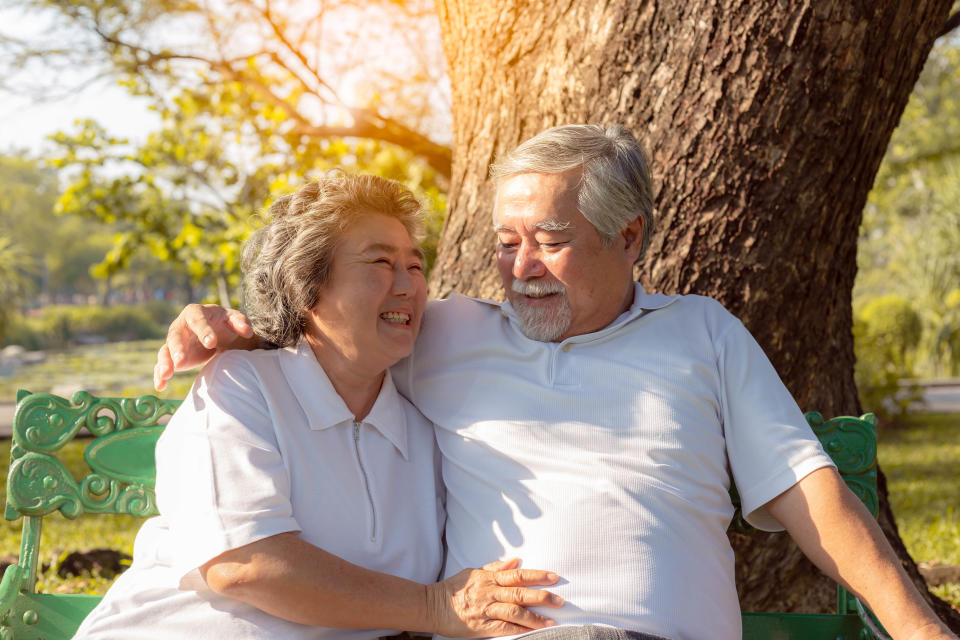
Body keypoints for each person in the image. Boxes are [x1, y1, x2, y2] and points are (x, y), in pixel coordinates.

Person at [155, 126, 957, 640]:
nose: (521, 268)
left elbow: (807, 489)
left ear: (629, 235)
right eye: (507, 242)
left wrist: (918, 632)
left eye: (550, 240)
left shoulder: (701, 334)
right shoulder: (447, 332)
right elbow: (338, 322)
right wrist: (233, 323)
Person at [77, 172, 563, 640]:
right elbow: (243, 566)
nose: (408, 284)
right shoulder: (242, 386)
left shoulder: (426, 427)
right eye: (379, 263)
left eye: (415, 266)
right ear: (306, 288)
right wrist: (436, 606)